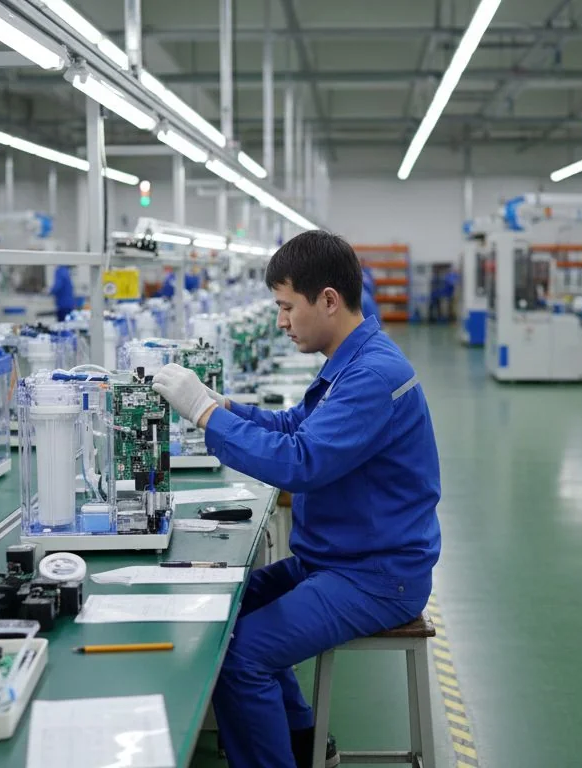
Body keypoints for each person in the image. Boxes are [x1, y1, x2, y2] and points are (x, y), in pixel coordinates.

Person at [152, 231, 442, 768]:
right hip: (335, 559)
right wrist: (226, 406)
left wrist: (205, 415)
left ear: (328, 300)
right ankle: (304, 741)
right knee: (228, 607)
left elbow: (299, 462)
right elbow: (294, 426)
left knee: (240, 658)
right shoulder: (354, 361)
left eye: (286, 307)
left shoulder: (372, 376)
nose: (281, 321)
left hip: (376, 577)